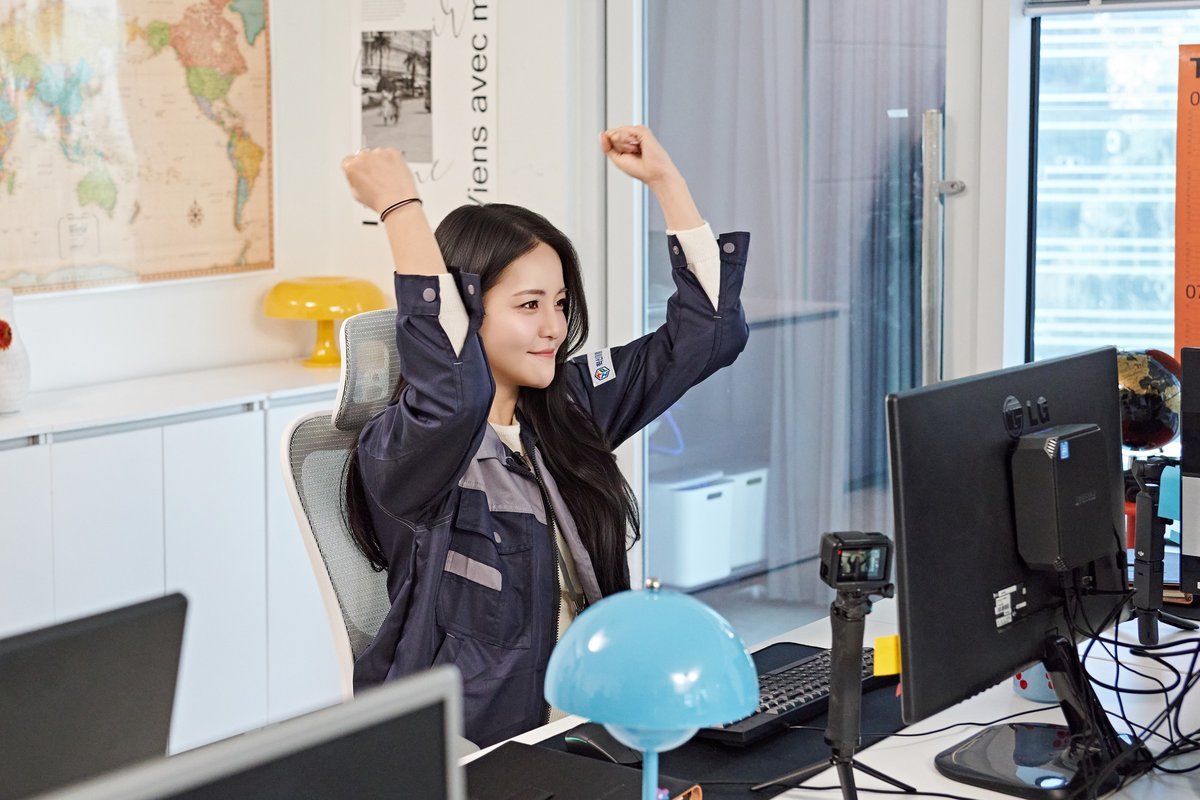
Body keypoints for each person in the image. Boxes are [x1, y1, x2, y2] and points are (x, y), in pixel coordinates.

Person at [339, 126, 750, 747]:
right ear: (469, 311)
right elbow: (456, 397)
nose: (555, 327)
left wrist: (667, 182)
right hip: (484, 744)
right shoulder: (409, 447)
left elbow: (709, 336)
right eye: (529, 305)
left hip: (595, 720)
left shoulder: (568, 407)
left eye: (559, 303)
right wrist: (401, 209)